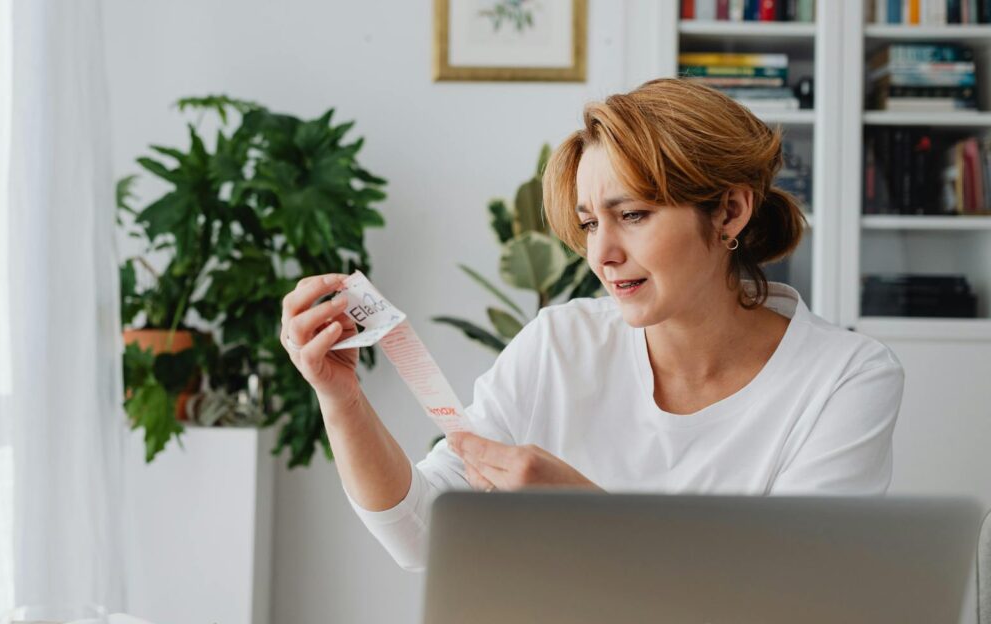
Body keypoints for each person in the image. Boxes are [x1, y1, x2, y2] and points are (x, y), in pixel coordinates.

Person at [277, 78, 904, 572]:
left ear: (730, 211)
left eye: (631, 214)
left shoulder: (845, 378)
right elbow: (423, 536)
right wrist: (341, 399)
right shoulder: (560, 343)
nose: (600, 254)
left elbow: (797, 594)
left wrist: (586, 517)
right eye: (588, 223)